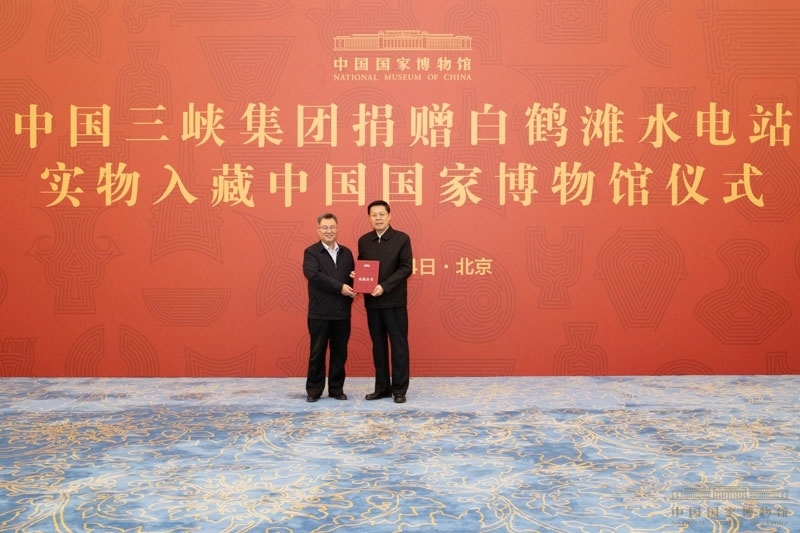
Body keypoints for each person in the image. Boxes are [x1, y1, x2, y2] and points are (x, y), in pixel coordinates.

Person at [358, 200, 413, 403]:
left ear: (389, 216)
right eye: (374, 215)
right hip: (372, 303)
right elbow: (362, 266)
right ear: (369, 218)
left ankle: (399, 390)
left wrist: (384, 286)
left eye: (382, 214)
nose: (378, 218)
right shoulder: (364, 241)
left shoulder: (402, 239)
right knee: (378, 347)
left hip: (394, 301)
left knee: (398, 346)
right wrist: (357, 275)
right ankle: (382, 388)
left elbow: (406, 268)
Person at [302, 213, 356, 402]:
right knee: (317, 353)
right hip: (319, 313)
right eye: (325, 227)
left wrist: (356, 281)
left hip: (342, 313)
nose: (329, 231)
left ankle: (336, 389)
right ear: (318, 230)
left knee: (340, 353)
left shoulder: (347, 253)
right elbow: (314, 276)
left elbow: (351, 278)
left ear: (337, 228)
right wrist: (340, 287)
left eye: (332, 227)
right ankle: (314, 390)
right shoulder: (311, 252)